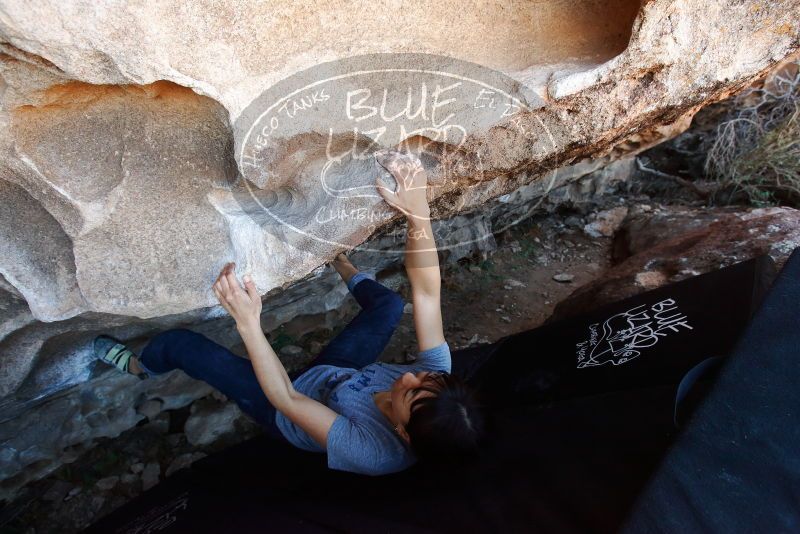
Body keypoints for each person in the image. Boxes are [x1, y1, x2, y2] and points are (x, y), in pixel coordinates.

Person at [95, 149, 484, 475]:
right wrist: (419, 215)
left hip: (287, 406)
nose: (409, 377)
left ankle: (143, 368)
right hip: (339, 375)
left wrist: (248, 323)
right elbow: (428, 293)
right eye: (424, 379)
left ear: (403, 433)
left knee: (179, 344)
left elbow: (287, 398)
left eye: (409, 394)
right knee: (389, 305)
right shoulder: (434, 379)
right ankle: (339, 260)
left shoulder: (375, 451)